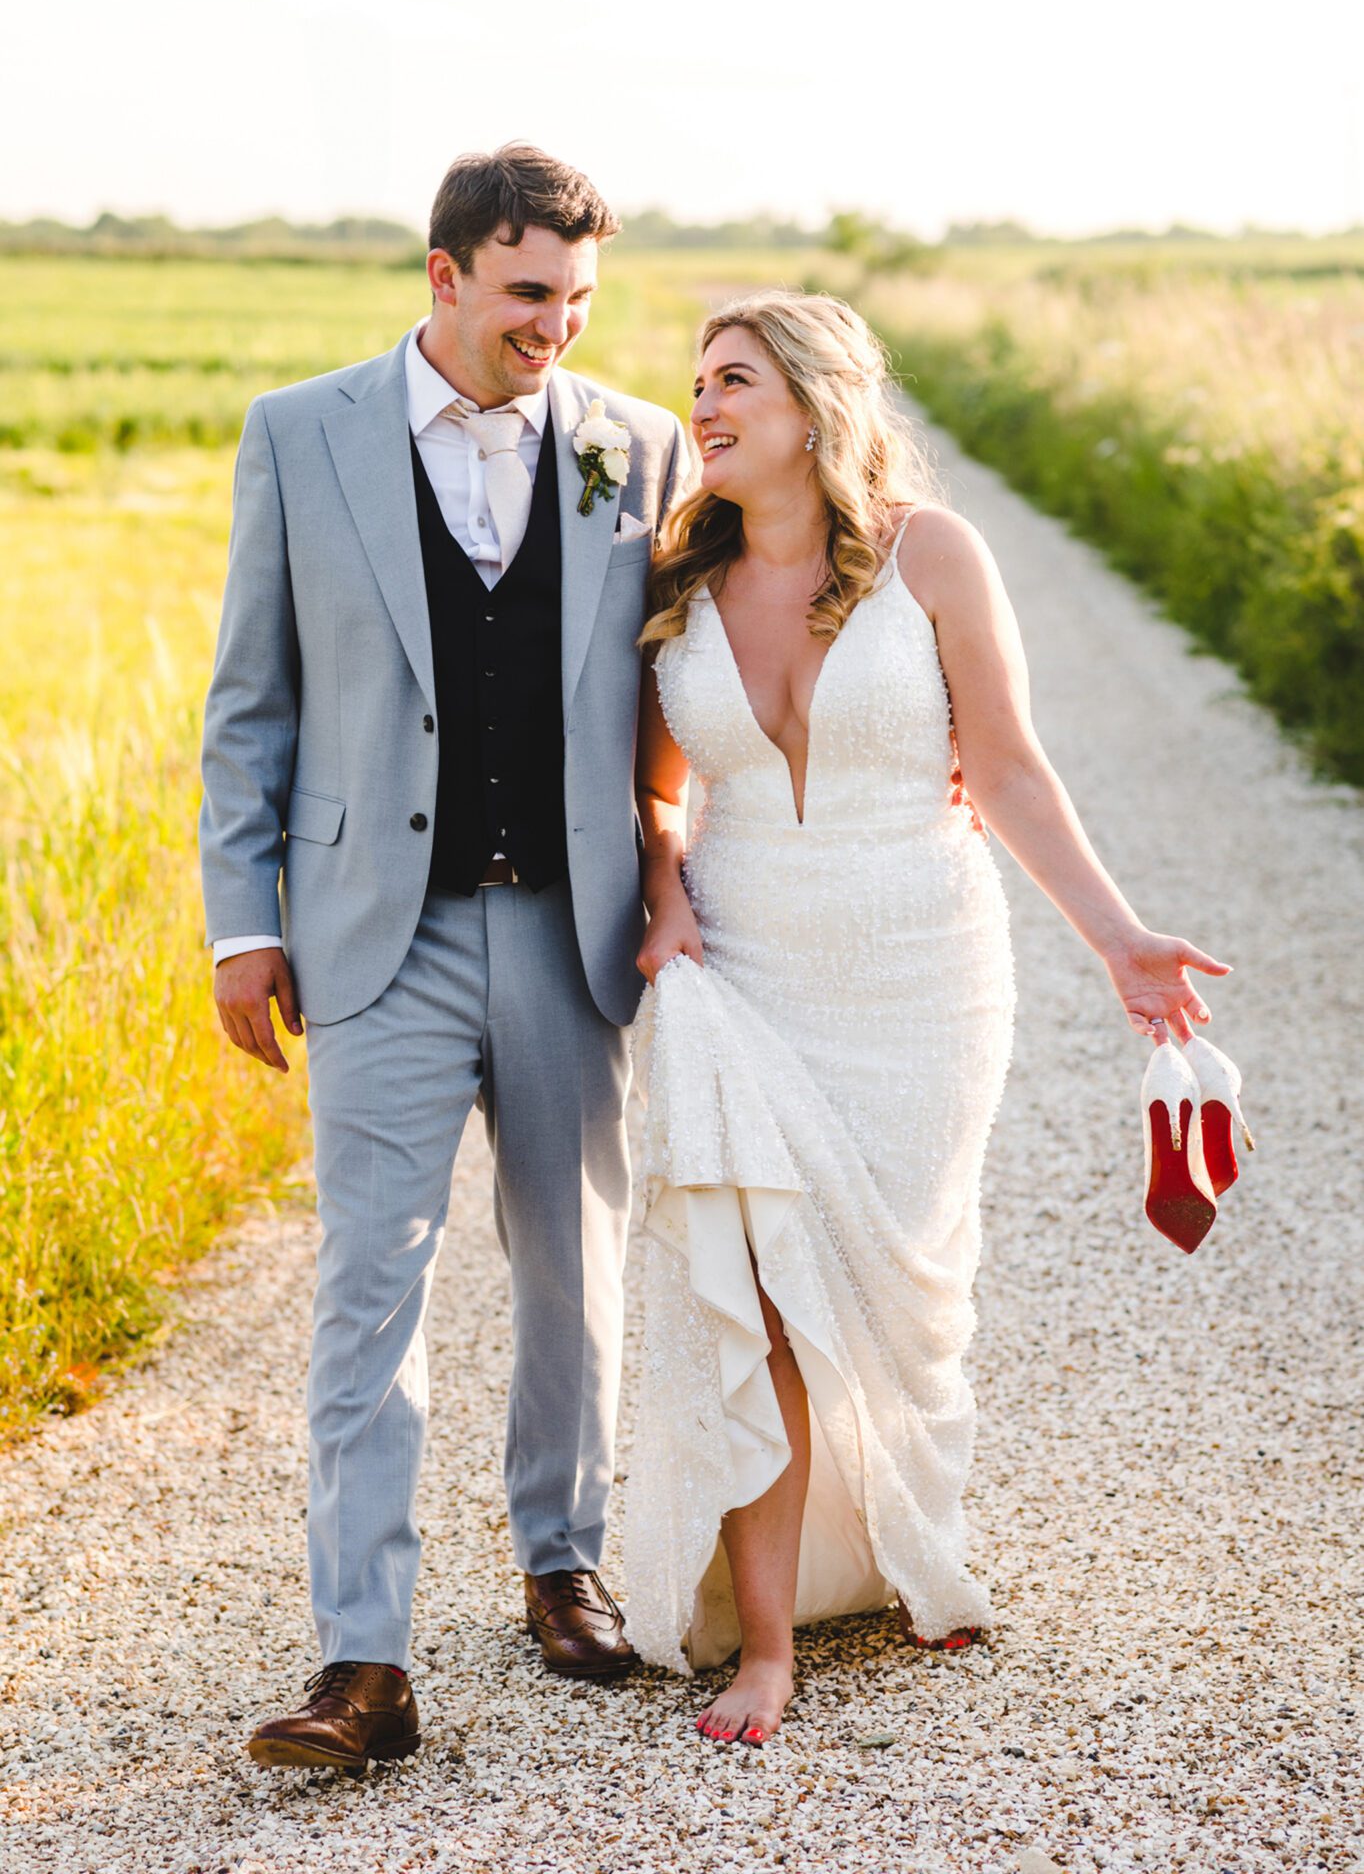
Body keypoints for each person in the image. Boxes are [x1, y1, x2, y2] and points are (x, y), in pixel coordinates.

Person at [623, 290, 1229, 1744]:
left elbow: (1009, 770)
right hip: (743, 970)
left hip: (919, 971)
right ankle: (765, 1645)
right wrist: (663, 887)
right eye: (697, 383)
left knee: (904, 1303)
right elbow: (655, 789)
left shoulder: (931, 554)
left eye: (733, 382)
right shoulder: (675, 581)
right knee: (761, 1291)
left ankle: (905, 1545)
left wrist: (1121, 941)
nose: (701, 407)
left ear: (818, 401)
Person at [200, 145, 691, 1772]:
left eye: (579, 299)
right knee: (369, 1288)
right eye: (529, 292)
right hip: (373, 934)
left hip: (568, 927)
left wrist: (685, 849)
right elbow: (250, 704)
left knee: (572, 1269)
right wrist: (246, 921)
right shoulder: (300, 433)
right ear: (446, 275)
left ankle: (565, 1565)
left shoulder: (642, 445)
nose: (556, 326)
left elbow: (674, 691)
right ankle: (363, 1660)